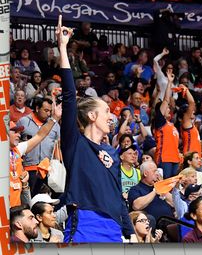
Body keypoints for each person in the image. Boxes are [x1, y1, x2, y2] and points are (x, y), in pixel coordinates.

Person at [56, 15, 135, 243]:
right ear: (92, 116)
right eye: (107, 112)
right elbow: (70, 97)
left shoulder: (112, 154)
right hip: (85, 222)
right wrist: (63, 49)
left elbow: (119, 198)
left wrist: (129, 233)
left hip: (114, 229)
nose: (112, 117)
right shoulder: (76, 143)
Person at [9, 101, 61, 208]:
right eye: (15, 132)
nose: (19, 134)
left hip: (16, 207)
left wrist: (54, 118)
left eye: (19, 132)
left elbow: (40, 135)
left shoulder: (18, 149)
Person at [128, 161, 174, 225]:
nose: (157, 174)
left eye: (157, 171)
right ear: (145, 174)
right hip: (149, 226)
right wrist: (155, 191)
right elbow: (136, 206)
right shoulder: (135, 189)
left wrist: (162, 187)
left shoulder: (160, 188)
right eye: (154, 171)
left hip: (169, 225)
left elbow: (175, 204)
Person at [153, 69, 180, 178]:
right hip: (164, 158)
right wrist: (169, 82)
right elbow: (166, 99)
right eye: (166, 108)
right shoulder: (160, 121)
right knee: (164, 188)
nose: (168, 109)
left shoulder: (172, 125)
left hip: (175, 159)